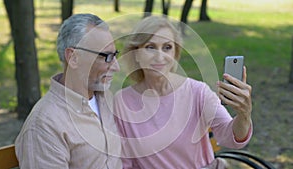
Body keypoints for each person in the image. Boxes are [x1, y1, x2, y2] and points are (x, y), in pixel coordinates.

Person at [114, 16, 253, 169]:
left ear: (175, 53)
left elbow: (231, 138)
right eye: (150, 47)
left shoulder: (197, 92)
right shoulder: (121, 102)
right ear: (136, 54)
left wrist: (244, 114)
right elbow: (124, 163)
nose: (160, 56)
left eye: (167, 47)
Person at [15, 13, 122, 169]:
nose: (116, 67)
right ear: (73, 58)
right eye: (107, 56)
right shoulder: (44, 125)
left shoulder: (106, 99)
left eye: (115, 55)